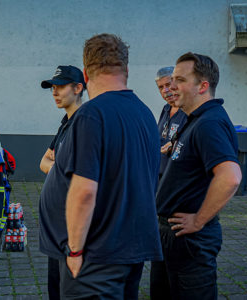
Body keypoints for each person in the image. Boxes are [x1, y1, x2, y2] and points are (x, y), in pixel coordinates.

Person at [39, 33, 162, 299]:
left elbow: (83, 192)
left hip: (96, 259)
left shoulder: (90, 115)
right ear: (126, 69)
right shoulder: (145, 114)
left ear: (85, 73)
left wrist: (74, 250)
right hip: (129, 250)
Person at [155, 52, 242, 299]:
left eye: (180, 80)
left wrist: (198, 220)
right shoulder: (194, 120)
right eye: (172, 79)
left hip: (190, 239)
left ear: (203, 86)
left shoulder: (209, 123)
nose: (171, 86)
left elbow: (230, 177)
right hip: (172, 236)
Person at [37, 65, 85, 299]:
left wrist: (58, 167)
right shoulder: (65, 123)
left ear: (78, 88)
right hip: (56, 230)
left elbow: (80, 176)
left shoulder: (84, 124)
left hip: (71, 231)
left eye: (61, 87)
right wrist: (60, 167)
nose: (55, 93)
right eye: (52, 88)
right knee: (54, 289)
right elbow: (43, 161)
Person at [155, 66, 187, 177]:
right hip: (160, 177)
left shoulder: (188, 111)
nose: (165, 90)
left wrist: (175, 145)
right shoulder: (166, 109)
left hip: (178, 178)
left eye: (168, 85)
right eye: (161, 87)